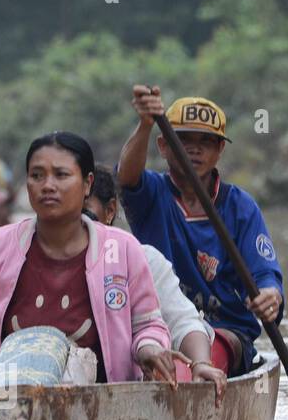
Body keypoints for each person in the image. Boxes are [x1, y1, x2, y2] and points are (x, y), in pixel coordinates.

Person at [0, 131, 179, 386]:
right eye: (36, 175)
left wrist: (149, 349)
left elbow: (148, 325)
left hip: (105, 402)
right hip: (14, 402)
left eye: (61, 175)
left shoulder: (123, 249)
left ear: (87, 184)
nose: (47, 185)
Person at [116, 88, 285, 377]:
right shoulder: (152, 195)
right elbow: (126, 177)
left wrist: (270, 295)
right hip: (157, 326)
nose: (194, 150)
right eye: (183, 140)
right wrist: (145, 123)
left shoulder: (240, 207)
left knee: (189, 366)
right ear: (164, 146)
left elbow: (264, 274)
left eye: (206, 142)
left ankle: (196, 373)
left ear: (220, 150)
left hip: (225, 331)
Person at [84, 165, 226, 405]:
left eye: (85, 214)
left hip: (128, 391)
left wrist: (201, 363)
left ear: (110, 211)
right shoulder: (36, 260)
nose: (75, 227)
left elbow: (183, 321)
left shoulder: (141, 258)